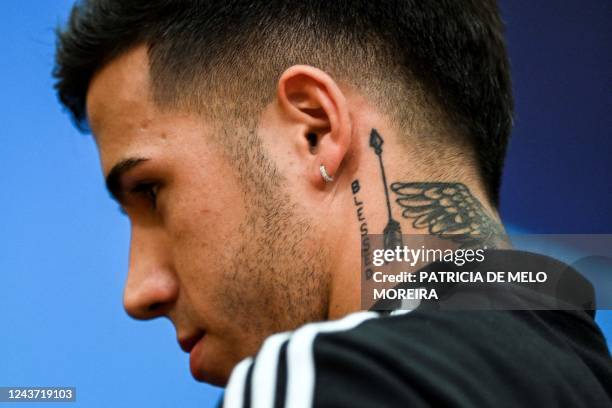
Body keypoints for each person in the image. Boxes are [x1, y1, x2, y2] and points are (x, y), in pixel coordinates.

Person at [53, 1, 611, 406]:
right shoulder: (582, 376)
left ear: (313, 132)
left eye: (150, 191)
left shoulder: (325, 379)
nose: (139, 292)